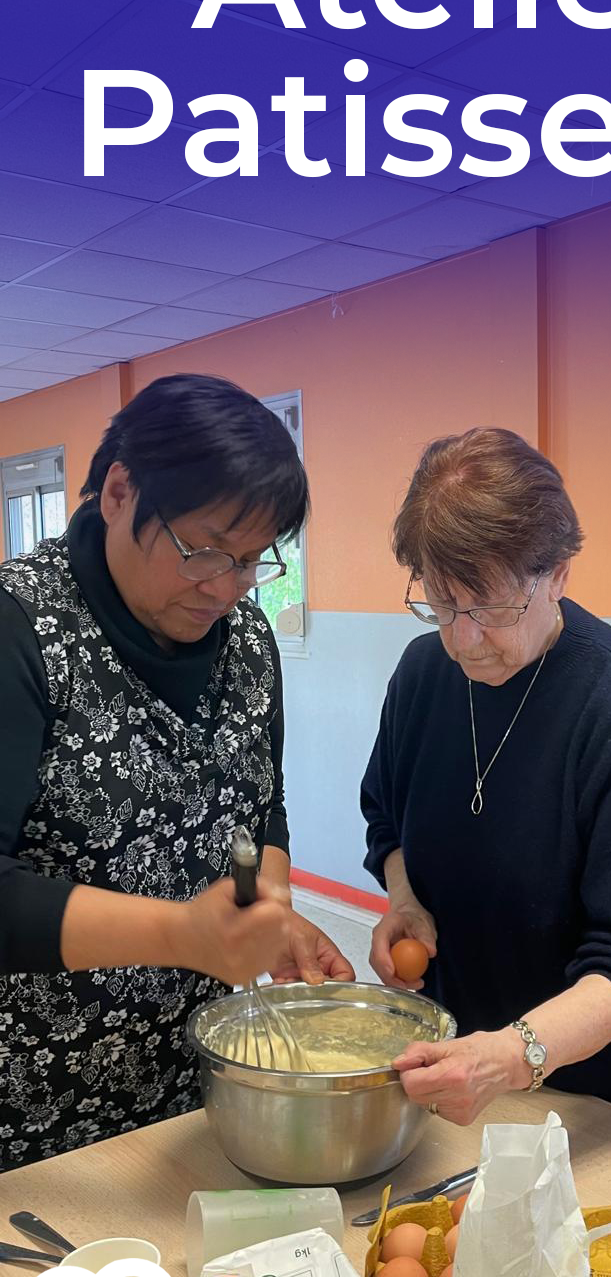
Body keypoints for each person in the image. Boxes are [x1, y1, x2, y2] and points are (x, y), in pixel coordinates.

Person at [0, 374, 353, 1171]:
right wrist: (182, 936)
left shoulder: (246, 641)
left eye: (253, 562)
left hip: (192, 1093)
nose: (225, 588)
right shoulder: (20, 629)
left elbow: (262, 807)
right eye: (203, 551)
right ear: (120, 491)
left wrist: (271, 910)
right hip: (31, 1115)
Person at [360, 428, 611, 1130]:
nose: (462, 639)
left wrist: (510, 1056)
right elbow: (386, 818)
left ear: (557, 574)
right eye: (441, 602)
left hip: (610, 1099)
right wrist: (405, 900)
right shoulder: (421, 677)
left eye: (492, 607)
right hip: (470, 1062)